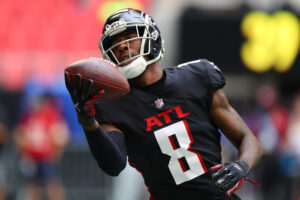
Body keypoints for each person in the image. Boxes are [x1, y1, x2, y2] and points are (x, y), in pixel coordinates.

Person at [64, 8, 262, 200]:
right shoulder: (113, 105)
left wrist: (242, 166)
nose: (122, 46)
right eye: (115, 44)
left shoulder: (197, 78)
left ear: (153, 39)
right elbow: (113, 165)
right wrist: (89, 123)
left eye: (128, 37)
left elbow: (247, 138)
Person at [15, 94, 69, 200]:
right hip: (32, 158)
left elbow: (62, 136)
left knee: (52, 184)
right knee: (32, 186)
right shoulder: (27, 117)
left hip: (47, 157)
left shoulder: (52, 116)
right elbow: (20, 134)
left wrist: (57, 152)